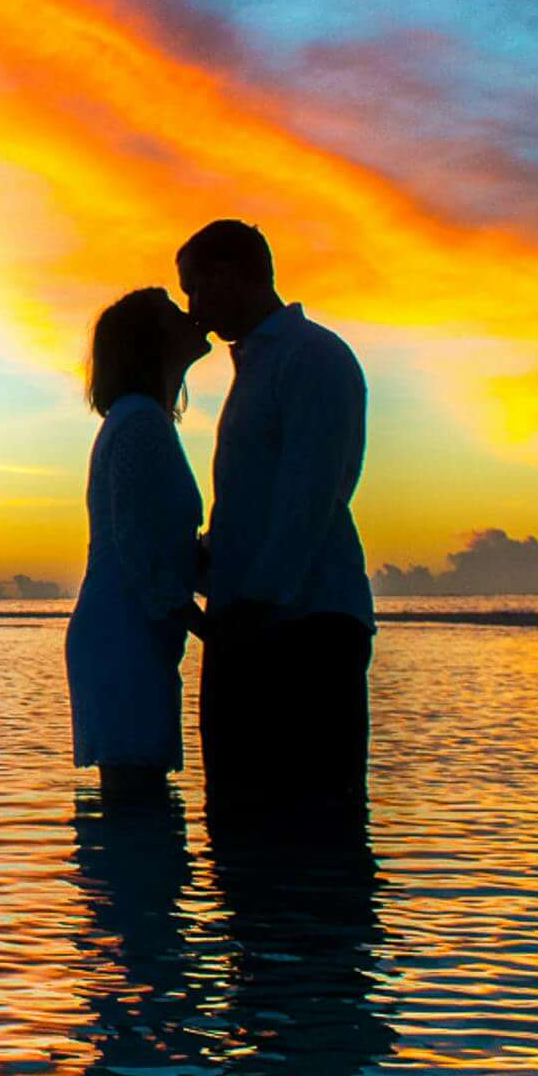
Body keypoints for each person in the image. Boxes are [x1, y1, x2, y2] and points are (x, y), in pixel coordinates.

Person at [177, 219, 374, 830]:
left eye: (195, 291)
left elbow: (310, 497)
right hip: (256, 622)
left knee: (313, 822)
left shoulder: (311, 358)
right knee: (241, 826)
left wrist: (251, 605)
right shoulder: (260, 367)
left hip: (302, 629)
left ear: (226, 275)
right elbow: (259, 505)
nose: (195, 311)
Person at [67, 286, 209, 808]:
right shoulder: (140, 423)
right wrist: (206, 623)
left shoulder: (139, 420)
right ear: (152, 341)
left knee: (135, 811)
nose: (191, 316)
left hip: (129, 632)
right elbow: (139, 542)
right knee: (136, 813)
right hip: (125, 636)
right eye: (174, 311)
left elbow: (154, 539)